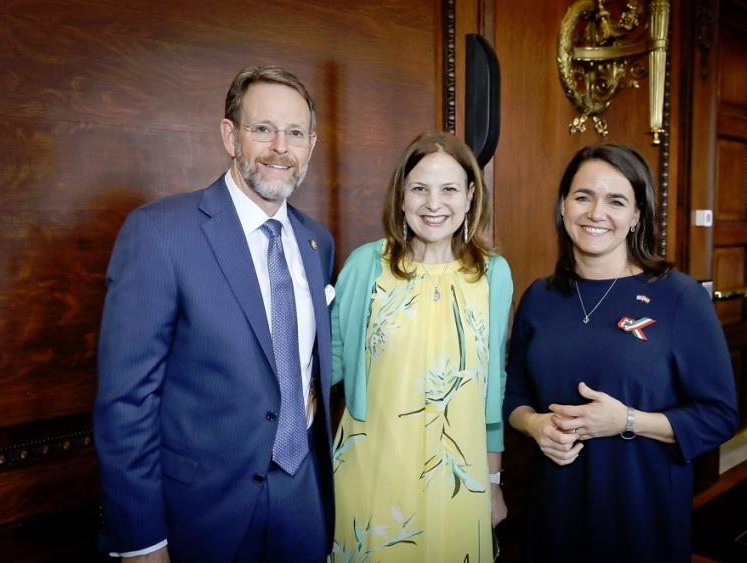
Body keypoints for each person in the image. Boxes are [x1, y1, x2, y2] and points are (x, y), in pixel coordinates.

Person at [94, 65, 335, 563]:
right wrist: (142, 540)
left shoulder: (317, 242)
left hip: (304, 502)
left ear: (311, 144)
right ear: (230, 135)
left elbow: (292, 359)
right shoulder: (160, 233)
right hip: (202, 515)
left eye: (295, 133)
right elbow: (126, 401)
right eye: (262, 129)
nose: (279, 148)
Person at [503, 142, 739, 562]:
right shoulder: (538, 297)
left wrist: (627, 421)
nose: (596, 213)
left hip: (642, 516)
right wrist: (537, 425)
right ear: (562, 207)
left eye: (616, 201)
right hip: (555, 512)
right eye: (582, 197)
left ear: (636, 216)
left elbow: (719, 415)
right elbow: (514, 397)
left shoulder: (677, 297)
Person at [330, 132, 513, 562]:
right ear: (401, 196)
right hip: (373, 474)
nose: (434, 204)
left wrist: (493, 482)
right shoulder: (365, 265)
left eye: (449, 189)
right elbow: (328, 363)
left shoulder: (493, 275)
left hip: (459, 480)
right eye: (419, 189)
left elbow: (492, 392)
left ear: (470, 197)